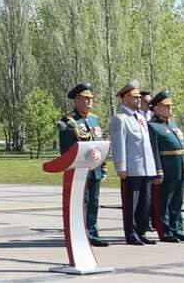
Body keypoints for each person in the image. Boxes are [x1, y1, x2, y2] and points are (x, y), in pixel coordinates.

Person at [57, 83, 110, 248]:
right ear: (76, 100)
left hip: (95, 168)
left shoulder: (95, 119)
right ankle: (79, 234)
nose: (90, 101)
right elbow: (66, 150)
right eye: (86, 99)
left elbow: (99, 144)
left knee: (94, 202)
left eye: (91, 99)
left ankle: (93, 234)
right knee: (81, 202)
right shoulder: (69, 120)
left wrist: (103, 165)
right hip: (79, 170)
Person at [110, 81, 156, 245]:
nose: (139, 100)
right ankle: (131, 233)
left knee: (145, 202)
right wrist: (121, 167)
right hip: (132, 168)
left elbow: (146, 144)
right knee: (132, 203)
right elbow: (119, 144)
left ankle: (141, 231)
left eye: (138, 97)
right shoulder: (120, 119)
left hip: (146, 167)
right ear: (125, 99)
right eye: (135, 97)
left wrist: (153, 167)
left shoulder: (141, 118)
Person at [147, 90, 184, 242]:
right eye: (167, 106)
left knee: (177, 201)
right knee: (163, 202)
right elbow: (154, 151)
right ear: (157, 108)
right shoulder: (152, 126)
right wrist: (158, 171)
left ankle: (177, 229)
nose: (170, 109)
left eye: (171, 106)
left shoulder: (172, 124)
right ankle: (165, 231)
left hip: (178, 166)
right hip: (165, 168)